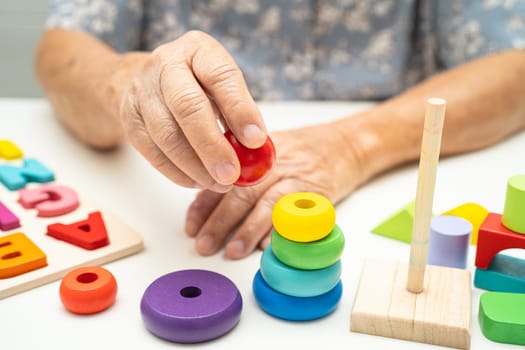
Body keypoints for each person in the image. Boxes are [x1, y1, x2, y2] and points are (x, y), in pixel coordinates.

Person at [35, 1, 525, 259]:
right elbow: (60, 51)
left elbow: (515, 64)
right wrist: (128, 84)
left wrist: (352, 144)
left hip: (389, 174)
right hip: (171, 217)